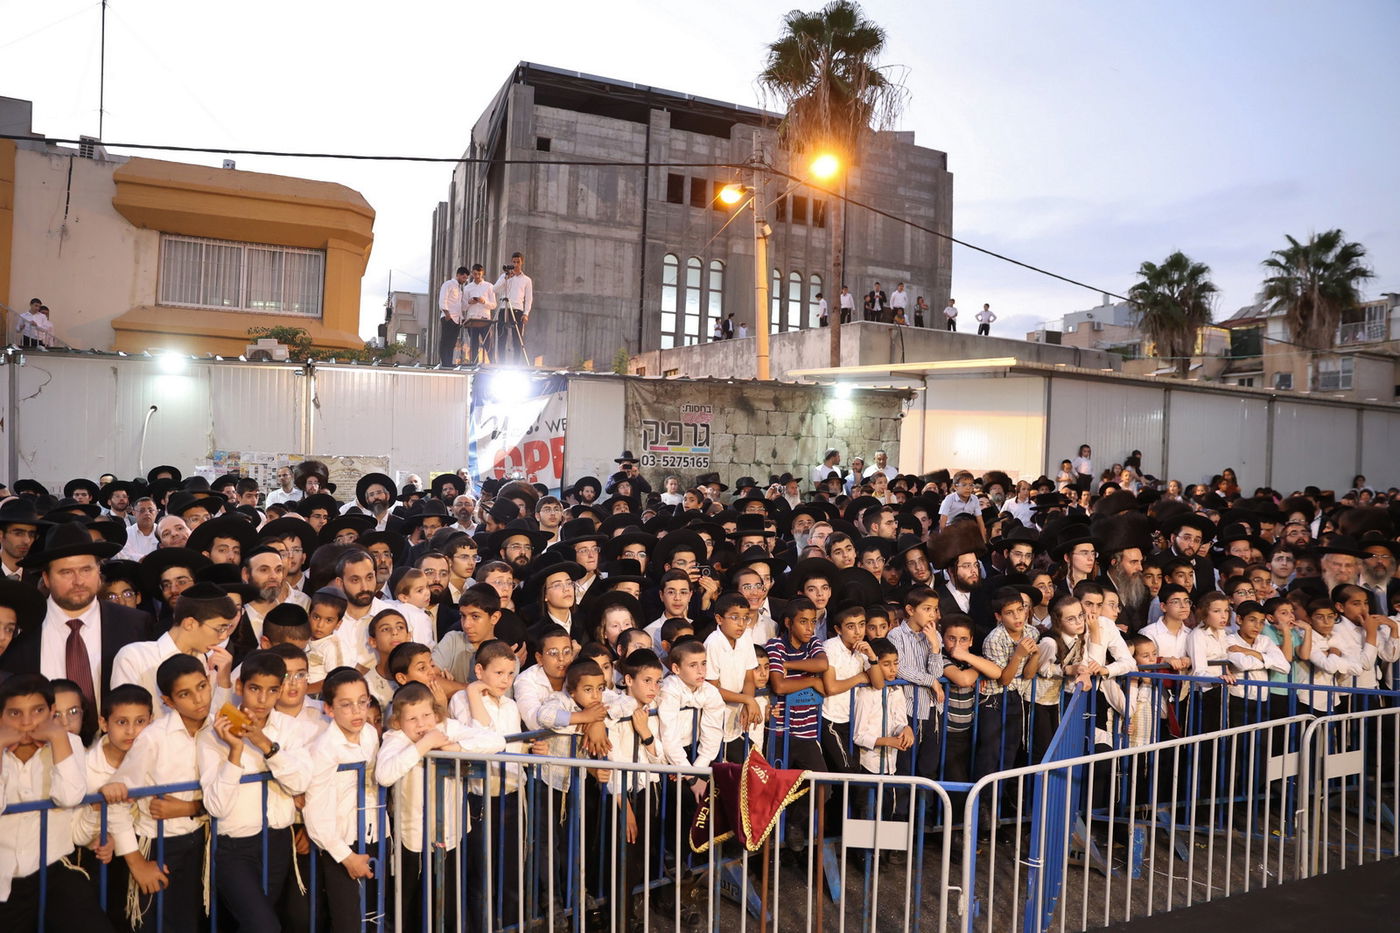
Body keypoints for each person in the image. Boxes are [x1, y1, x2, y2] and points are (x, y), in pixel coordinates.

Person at [375, 680, 504, 932]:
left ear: (435, 713)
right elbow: (384, 774)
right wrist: (424, 745)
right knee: (409, 904)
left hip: (451, 833)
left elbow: (495, 740)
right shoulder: (396, 738)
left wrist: (452, 748)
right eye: (412, 719)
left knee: (447, 903)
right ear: (398, 722)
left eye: (426, 715)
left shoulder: (445, 727)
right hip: (412, 839)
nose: (421, 724)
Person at [0, 674, 113, 929]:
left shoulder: (69, 743)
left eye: (38, 711)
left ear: (51, 711)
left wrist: (59, 739)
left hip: (52, 867)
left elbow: (69, 797)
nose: (27, 722)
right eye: (15, 713)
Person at [303, 666, 380, 933]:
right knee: (348, 921)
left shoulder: (370, 734)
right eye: (346, 705)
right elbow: (315, 812)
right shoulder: (324, 749)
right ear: (329, 709)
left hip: (376, 834)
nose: (357, 711)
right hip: (343, 844)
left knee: (375, 917)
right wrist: (346, 857)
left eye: (362, 702)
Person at [493, 251, 534, 365]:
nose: (516, 264)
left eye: (518, 262)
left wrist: (526, 313)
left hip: (517, 310)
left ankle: (516, 364)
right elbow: (494, 289)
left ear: (522, 262)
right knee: (502, 336)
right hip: (504, 308)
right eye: (514, 262)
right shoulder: (505, 277)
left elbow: (529, 298)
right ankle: (501, 363)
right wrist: (506, 278)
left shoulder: (527, 280)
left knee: (517, 339)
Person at [456, 263, 497, 365]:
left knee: (488, 344)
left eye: (479, 274)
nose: (477, 276)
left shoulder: (489, 286)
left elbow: (494, 305)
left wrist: (483, 302)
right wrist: (470, 302)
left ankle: (493, 366)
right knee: (473, 345)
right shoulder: (467, 288)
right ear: (472, 274)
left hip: (485, 320)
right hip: (472, 320)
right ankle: (473, 366)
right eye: (475, 274)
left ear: (482, 273)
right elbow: (463, 307)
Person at [437, 265, 469, 366]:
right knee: (445, 341)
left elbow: (460, 306)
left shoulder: (459, 289)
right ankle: (445, 363)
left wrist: (462, 319)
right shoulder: (448, 284)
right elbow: (443, 299)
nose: (465, 280)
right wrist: (447, 313)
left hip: (457, 319)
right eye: (463, 277)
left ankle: (449, 363)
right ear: (458, 275)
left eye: (466, 278)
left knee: (452, 343)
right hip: (449, 317)